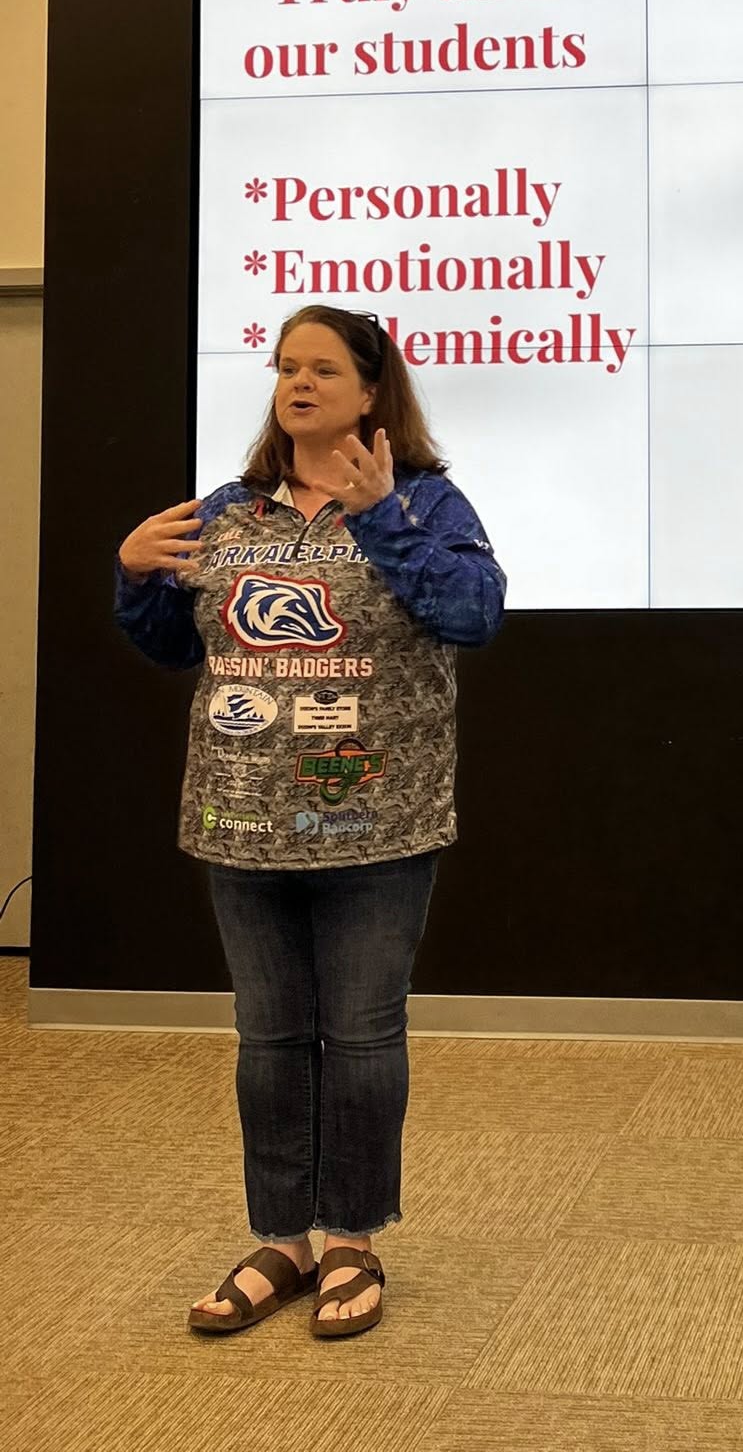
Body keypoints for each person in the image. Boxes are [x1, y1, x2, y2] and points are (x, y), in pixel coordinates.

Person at [116, 304, 506, 1338]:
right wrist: (136, 572)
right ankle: (283, 1237)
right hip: (242, 820)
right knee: (270, 1038)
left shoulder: (424, 501)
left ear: (372, 391)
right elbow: (173, 646)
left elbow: (473, 613)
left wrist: (381, 519)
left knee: (364, 1036)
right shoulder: (232, 510)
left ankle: (353, 1237)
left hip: (376, 823)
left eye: (324, 368)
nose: (298, 382)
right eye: (287, 366)